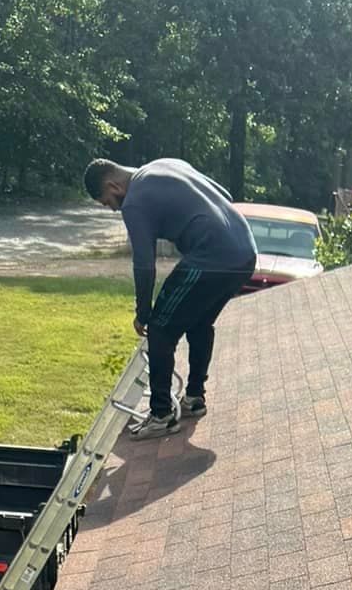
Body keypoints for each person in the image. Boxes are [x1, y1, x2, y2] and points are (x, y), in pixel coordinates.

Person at [84, 157, 257, 438]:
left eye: (107, 202)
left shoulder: (134, 201)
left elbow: (143, 262)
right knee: (199, 323)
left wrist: (143, 311)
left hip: (210, 256)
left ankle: (161, 414)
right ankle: (194, 397)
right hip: (244, 252)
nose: (113, 209)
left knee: (160, 328)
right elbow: (224, 194)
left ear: (112, 185)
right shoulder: (166, 164)